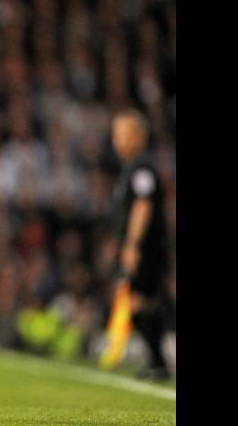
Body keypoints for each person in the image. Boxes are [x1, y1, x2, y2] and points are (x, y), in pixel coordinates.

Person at [110, 108, 171, 380]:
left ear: (137, 136)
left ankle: (158, 360)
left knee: (140, 301)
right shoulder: (133, 167)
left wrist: (133, 244)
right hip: (144, 245)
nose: (117, 140)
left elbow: (143, 204)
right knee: (140, 301)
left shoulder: (141, 166)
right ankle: (156, 360)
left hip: (147, 246)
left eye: (122, 133)